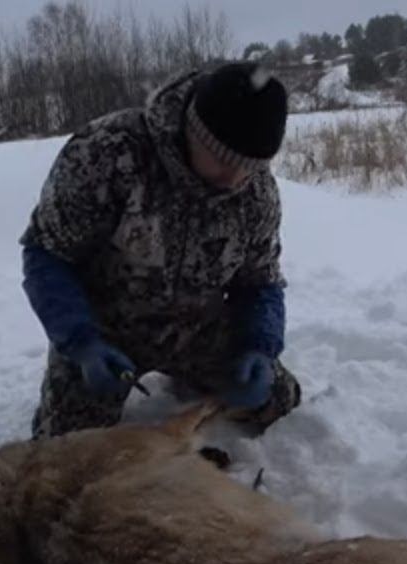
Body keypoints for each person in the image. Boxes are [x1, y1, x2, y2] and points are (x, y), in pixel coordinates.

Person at [18, 61, 301, 438]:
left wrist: (260, 347)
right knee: (66, 445)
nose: (235, 179)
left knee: (278, 399)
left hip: (197, 327)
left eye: (249, 167)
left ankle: (194, 377)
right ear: (195, 131)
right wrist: (80, 341)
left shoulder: (256, 193)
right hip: (107, 332)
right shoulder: (107, 152)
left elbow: (260, 281)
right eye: (223, 160)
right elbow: (46, 254)